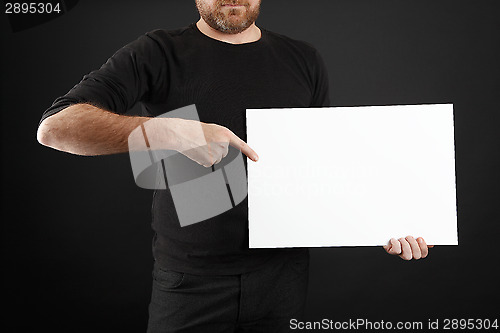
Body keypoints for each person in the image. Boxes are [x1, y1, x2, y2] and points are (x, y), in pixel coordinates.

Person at [37, 0, 433, 331]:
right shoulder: (157, 51)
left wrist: (385, 219)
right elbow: (55, 129)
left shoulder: (304, 59)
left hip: (283, 281)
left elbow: (321, 170)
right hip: (190, 282)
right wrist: (167, 132)